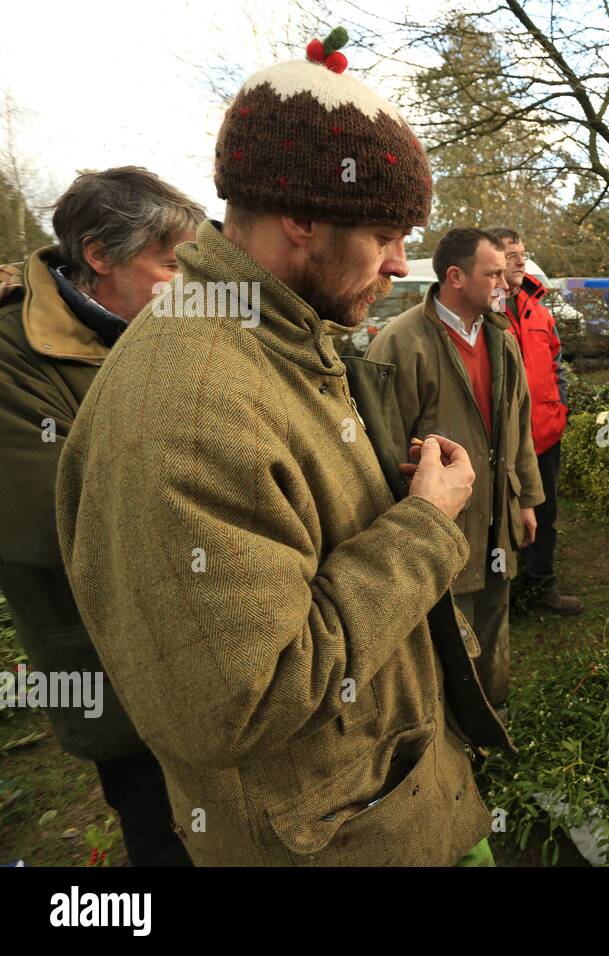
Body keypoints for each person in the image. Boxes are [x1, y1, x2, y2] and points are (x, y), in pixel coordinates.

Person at [56, 33, 510, 866]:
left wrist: (382, 496)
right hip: (330, 839)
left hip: (383, 800)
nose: (402, 264)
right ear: (301, 219)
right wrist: (422, 526)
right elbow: (241, 700)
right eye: (386, 234)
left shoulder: (273, 337)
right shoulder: (185, 405)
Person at [0, 167, 202, 867]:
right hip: (110, 666)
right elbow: (52, 522)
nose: (185, 283)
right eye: (168, 263)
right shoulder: (13, 356)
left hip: (204, 651)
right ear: (98, 256)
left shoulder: (167, 332)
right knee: (162, 835)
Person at [367, 228, 543, 712]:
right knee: (446, 631)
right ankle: (448, 736)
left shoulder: (501, 340)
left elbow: (520, 426)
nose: (505, 283)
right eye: (492, 274)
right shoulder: (401, 343)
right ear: (455, 277)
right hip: (438, 524)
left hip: (497, 512)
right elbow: (381, 446)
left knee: (493, 616)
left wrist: (526, 500)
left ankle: (494, 717)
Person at [485, 226, 582, 615]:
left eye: (522, 253)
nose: (521, 260)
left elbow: (557, 362)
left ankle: (542, 585)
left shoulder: (538, 308)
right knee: (497, 514)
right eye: (511, 255)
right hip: (498, 437)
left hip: (543, 434)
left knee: (545, 513)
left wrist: (560, 407)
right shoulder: (485, 308)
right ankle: (500, 593)